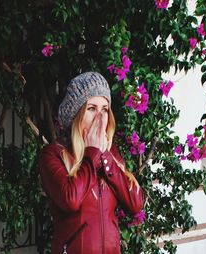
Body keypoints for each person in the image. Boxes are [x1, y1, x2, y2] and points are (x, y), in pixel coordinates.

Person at [38, 72, 144, 254]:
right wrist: (92, 153)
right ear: (76, 115)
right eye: (91, 109)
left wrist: (105, 157)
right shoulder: (53, 154)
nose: (100, 117)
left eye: (104, 109)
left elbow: (135, 203)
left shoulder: (111, 155)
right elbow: (70, 200)